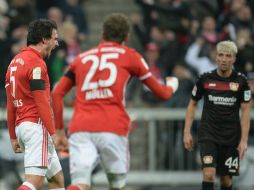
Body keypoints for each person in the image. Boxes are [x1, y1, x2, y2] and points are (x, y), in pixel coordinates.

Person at [51, 13, 179, 190]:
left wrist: (59, 131)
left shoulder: (81, 58)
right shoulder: (131, 56)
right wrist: (172, 85)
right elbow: (163, 93)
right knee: (117, 185)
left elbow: (56, 93)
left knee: (80, 183)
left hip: (81, 127)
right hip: (112, 127)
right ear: (126, 37)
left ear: (103, 34)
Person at [5, 19, 65, 190]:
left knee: (57, 179)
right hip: (37, 127)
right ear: (44, 40)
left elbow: (11, 104)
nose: (57, 43)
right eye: (54, 38)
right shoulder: (36, 63)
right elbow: (41, 101)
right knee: (33, 182)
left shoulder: (14, 63)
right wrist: (53, 132)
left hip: (22, 127)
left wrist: (13, 136)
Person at [183, 40, 251, 190]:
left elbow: (246, 110)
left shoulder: (241, 81)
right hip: (209, 133)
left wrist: (244, 140)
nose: (224, 59)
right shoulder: (205, 79)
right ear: (216, 57)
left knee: (226, 181)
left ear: (234, 59)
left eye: (228, 56)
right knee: (208, 174)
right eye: (221, 55)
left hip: (230, 136)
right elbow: (192, 104)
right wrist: (186, 132)